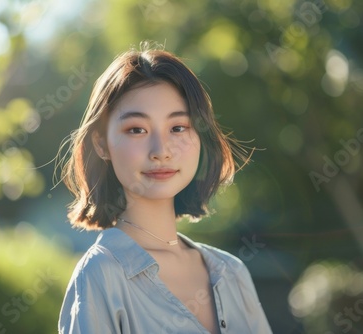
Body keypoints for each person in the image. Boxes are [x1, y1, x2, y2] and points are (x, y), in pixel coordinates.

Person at [57, 44, 272, 334]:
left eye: (178, 127)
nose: (161, 151)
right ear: (101, 144)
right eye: (136, 129)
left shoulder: (232, 272)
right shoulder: (100, 275)